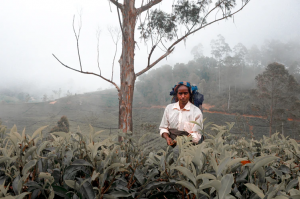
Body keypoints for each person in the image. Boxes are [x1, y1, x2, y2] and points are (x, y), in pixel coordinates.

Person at [159, 81, 203, 146]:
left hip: (190, 148)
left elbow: (197, 135)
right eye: (180, 93)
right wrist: (167, 138)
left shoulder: (196, 112)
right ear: (177, 95)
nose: (183, 96)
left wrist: (181, 140)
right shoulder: (169, 108)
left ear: (189, 94)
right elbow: (163, 128)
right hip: (172, 147)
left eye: (185, 93)